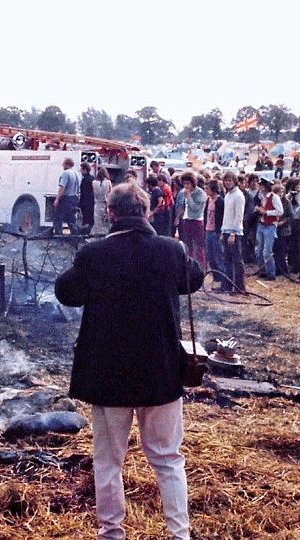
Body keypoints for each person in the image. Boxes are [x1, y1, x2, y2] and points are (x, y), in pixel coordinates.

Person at [55, 182, 204, 540]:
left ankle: (112, 534)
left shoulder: (93, 254)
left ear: (110, 213)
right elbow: (194, 277)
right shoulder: (171, 250)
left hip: (109, 376)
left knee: (108, 463)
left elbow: (66, 291)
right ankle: (179, 535)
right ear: (148, 212)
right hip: (161, 373)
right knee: (168, 460)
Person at [221, 172, 246, 293]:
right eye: (226, 180)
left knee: (237, 260)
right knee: (227, 260)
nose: (228, 182)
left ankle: (239, 287)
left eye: (230, 180)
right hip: (226, 229)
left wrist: (233, 233)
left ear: (234, 181)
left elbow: (239, 216)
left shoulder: (238, 195)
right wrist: (223, 231)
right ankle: (227, 285)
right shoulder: (228, 195)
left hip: (234, 232)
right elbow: (227, 215)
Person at [175, 172, 206, 268]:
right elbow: (183, 206)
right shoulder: (183, 192)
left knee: (199, 246)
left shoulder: (200, 192)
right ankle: (191, 265)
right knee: (188, 245)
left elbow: (195, 208)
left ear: (193, 183)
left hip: (196, 220)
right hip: (186, 219)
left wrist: (188, 196)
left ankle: (201, 266)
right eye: (184, 184)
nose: (186, 186)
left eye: (188, 183)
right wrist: (178, 217)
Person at [254, 178, 283, 280]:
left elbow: (280, 211)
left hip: (270, 225)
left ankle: (271, 273)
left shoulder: (274, 197)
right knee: (259, 250)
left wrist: (266, 212)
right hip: (261, 224)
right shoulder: (261, 196)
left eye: (261, 185)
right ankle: (262, 271)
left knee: (267, 251)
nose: (260, 187)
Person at [52, 157, 81, 236]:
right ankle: (75, 237)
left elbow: (62, 187)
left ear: (66, 164)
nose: (62, 165)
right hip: (74, 198)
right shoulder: (77, 174)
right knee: (71, 219)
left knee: (57, 217)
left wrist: (57, 199)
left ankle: (58, 237)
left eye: (63, 164)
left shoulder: (66, 173)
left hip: (66, 199)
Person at [203, 179, 225, 277]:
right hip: (208, 230)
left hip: (216, 231)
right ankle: (215, 276)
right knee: (210, 255)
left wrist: (220, 231)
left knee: (218, 255)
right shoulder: (208, 199)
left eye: (207, 188)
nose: (205, 190)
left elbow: (221, 217)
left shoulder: (220, 201)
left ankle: (222, 276)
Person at [272, 184, 293, 277]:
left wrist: (282, 222)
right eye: (278, 192)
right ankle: (276, 268)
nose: (280, 194)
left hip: (284, 230)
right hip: (273, 228)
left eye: (281, 192)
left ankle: (283, 270)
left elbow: (290, 216)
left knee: (282, 251)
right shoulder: (272, 201)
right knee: (275, 251)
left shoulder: (287, 202)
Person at [92, 167, 113, 235]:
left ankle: (97, 235)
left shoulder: (94, 182)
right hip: (106, 204)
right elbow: (110, 193)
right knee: (106, 222)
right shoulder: (108, 182)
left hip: (97, 203)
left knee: (97, 222)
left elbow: (94, 192)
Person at [79, 162, 96, 233]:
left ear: (85, 170)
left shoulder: (85, 180)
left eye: (81, 169)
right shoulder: (93, 178)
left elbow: (83, 193)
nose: (80, 171)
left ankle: (84, 233)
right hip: (92, 202)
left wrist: (80, 203)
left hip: (85, 203)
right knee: (91, 219)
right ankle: (90, 232)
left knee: (85, 219)